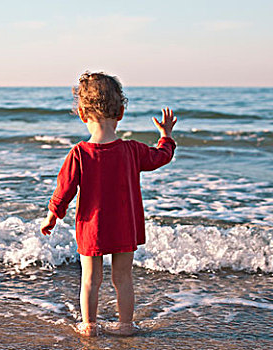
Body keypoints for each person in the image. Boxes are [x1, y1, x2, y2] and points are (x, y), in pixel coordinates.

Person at [40, 71, 177, 337]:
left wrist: (52, 216)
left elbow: (63, 190)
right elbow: (161, 157)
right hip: (125, 227)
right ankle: (126, 325)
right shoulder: (133, 150)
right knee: (123, 278)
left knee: (90, 279)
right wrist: (166, 136)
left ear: (82, 114)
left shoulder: (79, 153)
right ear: (121, 112)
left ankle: (89, 326)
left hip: (92, 228)